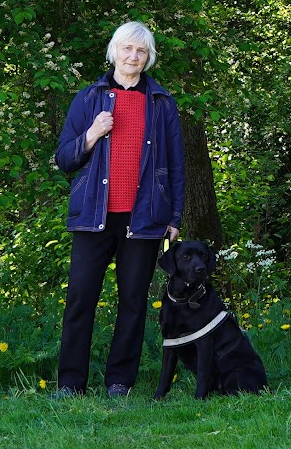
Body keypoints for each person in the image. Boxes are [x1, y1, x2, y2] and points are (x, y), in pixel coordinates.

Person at [54, 20, 184, 397]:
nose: (134, 56)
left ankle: (120, 381)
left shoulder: (160, 103)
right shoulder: (88, 98)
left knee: (133, 301)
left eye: (141, 51)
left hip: (143, 218)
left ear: (149, 58)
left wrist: (173, 217)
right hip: (93, 217)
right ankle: (70, 382)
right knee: (80, 298)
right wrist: (92, 134)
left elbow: (176, 165)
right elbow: (64, 158)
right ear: (114, 52)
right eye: (127, 49)